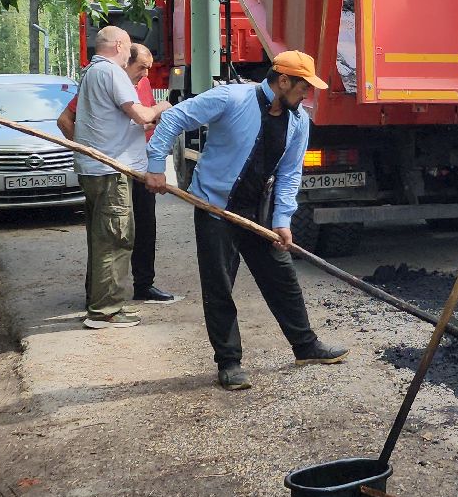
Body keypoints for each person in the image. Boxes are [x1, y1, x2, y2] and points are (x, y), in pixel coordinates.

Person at [144, 51, 348, 390]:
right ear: (283, 80)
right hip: (216, 209)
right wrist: (154, 166)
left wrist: (282, 220)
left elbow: (289, 174)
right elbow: (173, 118)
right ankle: (229, 362)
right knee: (219, 285)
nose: (306, 95)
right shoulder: (231, 97)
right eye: (303, 87)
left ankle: (305, 345)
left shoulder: (297, 122)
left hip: (258, 212)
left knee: (282, 277)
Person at [60, 43, 177, 305]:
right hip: (113, 170)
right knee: (112, 235)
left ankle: (143, 285)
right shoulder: (107, 81)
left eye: (149, 68)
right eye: (141, 68)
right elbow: (65, 121)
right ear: (125, 62)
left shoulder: (141, 84)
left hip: (139, 166)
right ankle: (100, 296)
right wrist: (92, 151)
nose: (146, 74)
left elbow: (143, 120)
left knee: (145, 227)